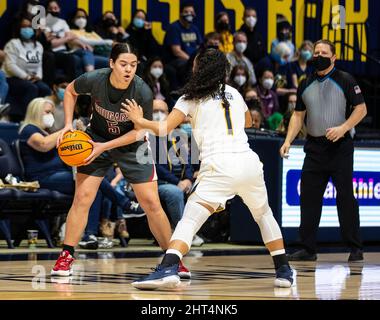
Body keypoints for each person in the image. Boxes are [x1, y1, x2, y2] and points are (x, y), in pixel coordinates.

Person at [122, 48, 295, 290]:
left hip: (219, 165)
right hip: (248, 162)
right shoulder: (234, 93)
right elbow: (246, 122)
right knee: (263, 214)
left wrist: (139, 120)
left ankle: (169, 267)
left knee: (190, 219)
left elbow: (163, 129)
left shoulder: (190, 98)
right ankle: (284, 271)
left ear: (199, 68)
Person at [50, 43, 190, 278]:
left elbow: (139, 132)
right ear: (112, 63)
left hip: (132, 146)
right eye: (123, 64)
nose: (128, 69)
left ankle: (173, 260)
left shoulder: (142, 91)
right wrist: (67, 125)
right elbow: (72, 91)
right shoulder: (95, 79)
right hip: (95, 138)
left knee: (151, 203)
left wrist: (104, 146)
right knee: (83, 197)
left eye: (133, 65)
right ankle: (66, 256)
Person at [279, 40, 367, 262]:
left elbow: (361, 109)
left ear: (334, 57)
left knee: (345, 197)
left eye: (323, 52)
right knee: (308, 198)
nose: (318, 55)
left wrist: (343, 128)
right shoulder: (305, 82)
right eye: (316, 52)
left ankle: (355, 247)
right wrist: (288, 140)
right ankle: (308, 249)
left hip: (340, 148)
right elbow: (298, 115)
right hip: (314, 147)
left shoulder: (345, 79)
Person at [3, 15, 51, 122]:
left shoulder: (38, 45)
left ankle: (41, 119)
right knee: (31, 88)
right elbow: (10, 66)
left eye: (29, 26)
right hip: (12, 77)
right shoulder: (13, 44)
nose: (27, 29)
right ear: (18, 29)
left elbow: (39, 65)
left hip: (32, 78)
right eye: (24, 26)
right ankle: (25, 119)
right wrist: (27, 77)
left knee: (45, 89)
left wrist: (38, 77)